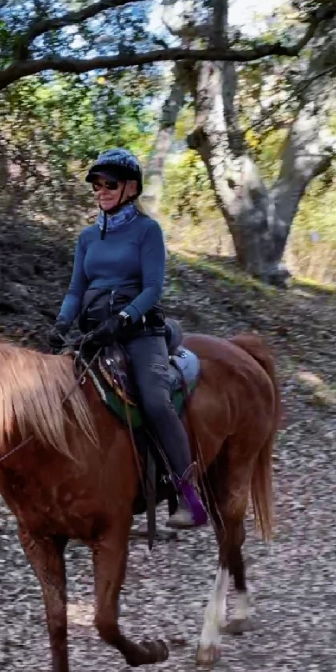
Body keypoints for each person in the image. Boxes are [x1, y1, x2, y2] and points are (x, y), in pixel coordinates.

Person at [48, 147, 207, 529]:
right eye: (96, 185)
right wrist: (61, 325)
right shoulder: (88, 237)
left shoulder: (147, 231)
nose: (101, 190)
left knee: (155, 401)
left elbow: (153, 288)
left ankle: (188, 495)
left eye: (110, 184)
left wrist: (123, 319)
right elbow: (75, 290)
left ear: (131, 187)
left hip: (139, 332)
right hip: (94, 334)